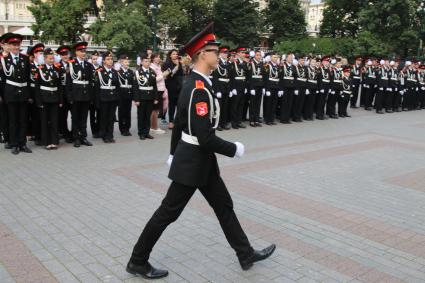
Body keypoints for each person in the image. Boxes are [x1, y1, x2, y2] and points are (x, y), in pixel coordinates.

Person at [126, 22, 275, 280]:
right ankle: (137, 261)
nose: (219, 56)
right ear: (203, 54)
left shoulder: (200, 83)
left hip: (200, 162)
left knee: (224, 206)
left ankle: (245, 253)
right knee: (168, 213)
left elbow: (180, 123)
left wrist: (173, 152)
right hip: (193, 163)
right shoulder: (197, 88)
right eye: (215, 51)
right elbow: (203, 136)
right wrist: (234, 149)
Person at [0, 33, 32, 155]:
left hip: (23, 93)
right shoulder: (4, 60)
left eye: (17, 44)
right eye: (13, 45)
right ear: (8, 45)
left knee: (23, 120)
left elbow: (28, 79)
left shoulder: (25, 59)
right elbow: (2, 80)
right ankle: (14, 144)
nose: (16, 47)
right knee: (13, 120)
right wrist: (3, 95)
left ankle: (22, 143)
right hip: (10, 94)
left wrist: (28, 94)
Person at [67, 41, 94, 148]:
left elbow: (91, 82)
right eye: (81, 51)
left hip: (86, 95)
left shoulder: (88, 65)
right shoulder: (71, 64)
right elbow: (69, 83)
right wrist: (70, 97)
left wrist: (91, 97)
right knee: (75, 118)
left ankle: (83, 137)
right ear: (76, 52)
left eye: (84, 51)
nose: (84, 53)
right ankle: (76, 138)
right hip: (75, 95)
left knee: (84, 117)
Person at [34, 48, 63, 149]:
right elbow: (37, 87)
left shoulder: (57, 69)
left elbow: (59, 86)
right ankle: (46, 142)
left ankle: (54, 141)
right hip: (44, 98)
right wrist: (39, 101)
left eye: (53, 58)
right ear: (45, 59)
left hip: (54, 98)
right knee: (45, 121)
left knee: (54, 120)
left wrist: (60, 100)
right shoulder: (40, 69)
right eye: (50, 59)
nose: (52, 60)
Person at [94, 51, 119, 143]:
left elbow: (117, 87)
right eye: (108, 59)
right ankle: (104, 135)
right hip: (103, 98)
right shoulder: (99, 72)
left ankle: (110, 135)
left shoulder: (114, 72)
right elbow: (96, 89)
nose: (110, 61)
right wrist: (97, 102)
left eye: (111, 59)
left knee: (111, 118)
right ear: (103, 61)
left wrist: (117, 99)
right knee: (103, 118)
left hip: (113, 98)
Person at [133, 53, 158, 140]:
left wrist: (156, 97)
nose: (148, 63)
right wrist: (136, 99)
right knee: (141, 116)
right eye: (146, 61)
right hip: (141, 97)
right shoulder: (137, 72)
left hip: (150, 97)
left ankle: (147, 132)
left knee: (148, 116)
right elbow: (135, 87)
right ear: (142, 62)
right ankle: (141, 133)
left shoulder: (152, 72)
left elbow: (155, 86)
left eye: (149, 61)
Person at [27, 43, 45, 146]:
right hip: (33, 92)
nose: (41, 54)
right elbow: (27, 81)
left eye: (42, 52)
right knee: (35, 116)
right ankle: (36, 135)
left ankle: (43, 135)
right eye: (39, 53)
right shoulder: (30, 65)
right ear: (34, 54)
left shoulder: (43, 66)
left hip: (43, 93)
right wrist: (29, 95)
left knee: (43, 116)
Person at [211, 46, 231, 130]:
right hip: (220, 87)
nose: (226, 54)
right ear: (220, 54)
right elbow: (215, 78)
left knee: (225, 106)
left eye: (226, 53)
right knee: (218, 107)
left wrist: (230, 89)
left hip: (226, 87)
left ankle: (224, 123)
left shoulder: (228, 63)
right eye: (224, 53)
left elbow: (230, 77)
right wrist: (217, 90)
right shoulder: (217, 63)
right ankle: (217, 123)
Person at [56, 45, 73, 143]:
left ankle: (74, 132)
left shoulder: (73, 64)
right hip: (62, 94)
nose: (65, 56)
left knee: (74, 115)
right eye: (63, 54)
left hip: (72, 93)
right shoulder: (57, 65)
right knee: (62, 115)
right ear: (60, 56)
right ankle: (64, 133)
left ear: (69, 54)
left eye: (66, 54)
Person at [162, 49, 183, 129]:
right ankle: (171, 121)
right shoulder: (167, 64)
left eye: (176, 54)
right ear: (170, 55)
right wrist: (176, 66)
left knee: (179, 104)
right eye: (173, 54)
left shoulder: (180, 63)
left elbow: (182, 74)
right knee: (172, 105)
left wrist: (180, 65)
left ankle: (178, 121)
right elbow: (170, 75)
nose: (175, 55)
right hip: (171, 86)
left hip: (180, 86)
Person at [228, 47, 248, 129]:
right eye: (242, 52)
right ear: (238, 54)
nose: (243, 54)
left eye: (244, 53)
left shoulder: (244, 63)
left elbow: (246, 75)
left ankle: (239, 121)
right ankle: (234, 122)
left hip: (243, 86)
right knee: (235, 105)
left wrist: (246, 86)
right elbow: (231, 76)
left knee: (241, 104)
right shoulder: (233, 63)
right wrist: (232, 88)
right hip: (236, 86)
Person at [117, 54, 135, 136]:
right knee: (121, 112)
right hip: (121, 95)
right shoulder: (118, 72)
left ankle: (127, 128)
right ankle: (122, 129)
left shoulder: (131, 72)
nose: (127, 63)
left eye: (128, 62)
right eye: (125, 62)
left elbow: (134, 84)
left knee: (128, 112)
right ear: (121, 62)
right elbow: (117, 85)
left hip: (129, 94)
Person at [247, 50, 265, 127]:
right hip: (253, 86)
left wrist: (263, 87)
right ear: (254, 56)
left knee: (258, 103)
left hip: (260, 86)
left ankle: (256, 120)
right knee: (253, 104)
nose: (259, 57)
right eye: (257, 55)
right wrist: (251, 88)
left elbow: (263, 76)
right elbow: (249, 76)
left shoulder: (261, 64)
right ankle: (252, 120)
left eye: (260, 55)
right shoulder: (251, 64)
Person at [150, 53, 166, 134]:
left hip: (161, 89)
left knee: (156, 109)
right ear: (153, 58)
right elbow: (153, 80)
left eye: (159, 57)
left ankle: (153, 127)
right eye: (157, 57)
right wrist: (163, 75)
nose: (159, 58)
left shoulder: (158, 66)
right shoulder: (152, 67)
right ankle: (154, 127)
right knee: (155, 109)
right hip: (156, 90)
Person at [263, 51, 280, 125]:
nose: (276, 58)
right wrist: (266, 89)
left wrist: (280, 89)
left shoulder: (278, 66)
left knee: (274, 104)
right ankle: (267, 119)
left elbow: (280, 78)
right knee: (268, 104)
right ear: (270, 58)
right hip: (269, 87)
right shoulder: (267, 65)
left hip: (276, 87)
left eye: (276, 57)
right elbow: (265, 78)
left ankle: (272, 119)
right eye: (274, 57)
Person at [89, 50, 102, 138]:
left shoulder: (101, 68)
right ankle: (94, 131)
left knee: (100, 113)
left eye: (97, 59)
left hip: (100, 94)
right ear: (91, 60)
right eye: (94, 59)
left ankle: (100, 129)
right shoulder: (89, 68)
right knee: (92, 114)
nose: (95, 60)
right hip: (92, 94)